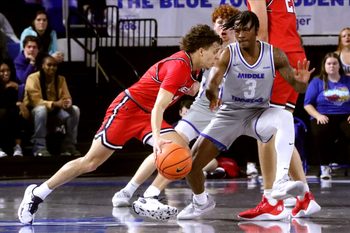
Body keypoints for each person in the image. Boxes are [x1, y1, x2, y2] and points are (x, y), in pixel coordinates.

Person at [17, 24, 222, 224]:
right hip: (127, 110)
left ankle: (150, 198)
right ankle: (37, 193)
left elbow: (176, 96)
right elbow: (160, 107)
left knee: (181, 150)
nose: (217, 55)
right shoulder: (179, 65)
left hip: (146, 115)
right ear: (201, 51)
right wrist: (158, 140)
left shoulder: (194, 71)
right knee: (90, 162)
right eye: (215, 51)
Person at [176, 10, 316, 220]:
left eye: (245, 30)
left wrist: (302, 83)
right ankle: (200, 202)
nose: (240, 34)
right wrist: (212, 94)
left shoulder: (275, 54)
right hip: (229, 114)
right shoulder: (228, 53)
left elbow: (296, 85)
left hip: (257, 114)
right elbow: (213, 82)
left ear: (256, 31)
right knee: (191, 164)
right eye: (237, 30)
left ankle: (280, 181)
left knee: (284, 117)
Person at [111, 4, 239, 209]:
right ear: (213, 27)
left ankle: (284, 189)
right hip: (203, 108)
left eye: (229, 26)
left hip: (231, 110)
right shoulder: (204, 50)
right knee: (170, 148)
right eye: (219, 24)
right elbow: (191, 83)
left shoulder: (241, 50)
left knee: (269, 135)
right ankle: (131, 190)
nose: (223, 29)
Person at [241, 0, 321, 220]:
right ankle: (305, 197)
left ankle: (271, 201)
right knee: (281, 128)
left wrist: (252, 67)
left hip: (276, 57)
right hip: (294, 55)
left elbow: (261, 32)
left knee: (263, 127)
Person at [304, 52, 350, 180]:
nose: (332, 66)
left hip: (345, 116)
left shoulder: (347, 81)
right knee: (320, 133)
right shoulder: (317, 82)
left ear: (339, 66)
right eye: (329, 63)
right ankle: (325, 167)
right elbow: (307, 104)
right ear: (324, 66)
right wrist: (318, 116)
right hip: (323, 115)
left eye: (334, 63)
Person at [23, 55, 81, 157]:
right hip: (34, 113)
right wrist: (54, 103)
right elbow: (35, 101)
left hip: (56, 112)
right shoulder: (33, 78)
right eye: (49, 65)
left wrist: (67, 102)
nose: (52, 68)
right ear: (42, 66)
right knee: (41, 110)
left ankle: (68, 146)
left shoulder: (61, 79)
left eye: (54, 65)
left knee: (75, 110)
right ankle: (39, 147)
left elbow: (66, 97)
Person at [0, 59, 26, 157]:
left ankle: (17, 147)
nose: (6, 73)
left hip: (12, 114)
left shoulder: (15, 84)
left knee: (15, 112)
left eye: (8, 70)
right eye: (2, 71)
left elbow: (20, 102)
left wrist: (17, 88)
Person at [14, 35, 40, 102]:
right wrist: (32, 63)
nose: (31, 49)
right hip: (25, 93)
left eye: (34, 47)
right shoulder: (18, 61)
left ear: (38, 50)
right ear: (24, 48)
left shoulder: (41, 58)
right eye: (29, 47)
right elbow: (23, 80)